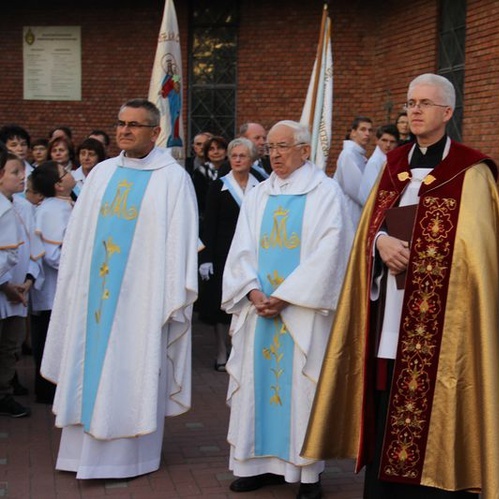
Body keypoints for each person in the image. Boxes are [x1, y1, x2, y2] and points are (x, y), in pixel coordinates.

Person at [302, 73, 499, 498]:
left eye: (425, 103)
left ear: (447, 112)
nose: (414, 110)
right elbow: (367, 229)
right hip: (391, 313)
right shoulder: (391, 165)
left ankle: (440, 482)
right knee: (385, 395)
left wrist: (426, 255)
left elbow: (479, 257)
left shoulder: (471, 172)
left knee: (439, 397)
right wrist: (379, 243)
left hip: (444, 324)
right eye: (410, 103)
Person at [40, 98, 200, 479]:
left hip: (140, 303)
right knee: (89, 362)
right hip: (94, 296)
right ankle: (79, 456)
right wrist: (76, 282)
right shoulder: (101, 174)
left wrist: (166, 296)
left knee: (131, 368)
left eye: (135, 125)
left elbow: (178, 244)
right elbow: (78, 236)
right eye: (121, 123)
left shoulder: (172, 178)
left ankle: (130, 459)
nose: (125, 130)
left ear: (155, 132)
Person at [222, 120, 353, 498]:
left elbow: (332, 251)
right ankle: (255, 464)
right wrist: (251, 291)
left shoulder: (326, 193)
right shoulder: (259, 195)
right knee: (255, 385)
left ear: (305, 150)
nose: (275, 154)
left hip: (301, 313)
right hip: (258, 311)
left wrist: (286, 296)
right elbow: (240, 248)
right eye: (271, 148)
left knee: (301, 389)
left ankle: (306, 474)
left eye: (283, 147)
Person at [198, 137, 260, 371]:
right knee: (221, 302)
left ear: (252, 159)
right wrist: (206, 258)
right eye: (233, 155)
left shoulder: (261, 183)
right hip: (223, 251)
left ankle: (241, 347)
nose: (237, 159)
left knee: (247, 299)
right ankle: (222, 349)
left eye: (242, 156)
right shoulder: (219, 185)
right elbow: (209, 224)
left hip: (252, 252)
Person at [29, 161, 76, 405]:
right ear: (58, 185)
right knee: (48, 339)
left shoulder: (66, 204)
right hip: (51, 291)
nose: (71, 174)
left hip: (65, 288)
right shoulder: (50, 210)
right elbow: (52, 254)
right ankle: (46, 389)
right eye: (65, 173)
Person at [0, 150, 38, 418]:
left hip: (15, 290)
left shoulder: (19, 206)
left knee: (10, 347)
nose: (22, 176)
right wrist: (4, 284)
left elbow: (27, 249)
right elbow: (7, 254)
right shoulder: (3, 209)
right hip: (5, 288)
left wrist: (25, 281)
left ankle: (3, 393)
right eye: (15, 172)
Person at [333, 116, 372, 226]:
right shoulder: (348, 155)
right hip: (349, 212)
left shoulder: (358, 155)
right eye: (363, 129)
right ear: (353, 132)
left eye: (370, 130)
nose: (367, 133)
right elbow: (358, 190)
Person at [357, 124, 398, 205]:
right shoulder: (374, 162)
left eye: (392, 142)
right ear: (377, 140)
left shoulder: (390, 160)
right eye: (384, 140)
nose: (388, 145)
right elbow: (371, 193)